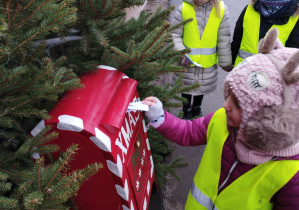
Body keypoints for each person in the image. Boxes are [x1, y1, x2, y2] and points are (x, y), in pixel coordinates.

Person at [142, 28, 299, 209]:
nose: (225, 105)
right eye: (229, 95)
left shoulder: (291, 174)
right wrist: (160, 116)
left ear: (273, 120)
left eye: (238, 104)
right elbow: (189, 132)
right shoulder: (221, 120)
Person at [170, 0, 232, 119]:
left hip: (206, 63)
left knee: (202, 86)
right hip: (186, 62)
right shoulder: (184, 8)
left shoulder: (221, 9)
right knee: (186, 86)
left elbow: (223, 38)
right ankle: (186, 109)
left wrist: (226, 62)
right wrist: (181, 53)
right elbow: (175, 34)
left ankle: (197, 108)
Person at [232, 0, 299, 67]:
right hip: (242, 72)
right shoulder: (250, 8)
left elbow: (292, 57)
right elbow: (237, 41)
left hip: (270, 75)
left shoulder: (296, 18)